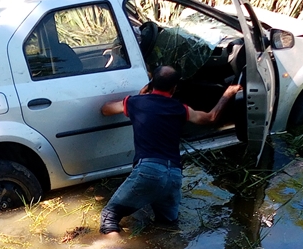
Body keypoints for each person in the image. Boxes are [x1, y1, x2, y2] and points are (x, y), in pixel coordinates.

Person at [98, 65, 240, 236]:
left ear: (151, 84)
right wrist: (228, 94)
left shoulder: (136, 102)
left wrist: (139, 96)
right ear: (174, 87)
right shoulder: (180, 109)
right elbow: (210, 118)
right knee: (167, 226)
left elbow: (106, 109)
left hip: (148, 171)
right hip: (174, 175)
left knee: (109, 217)